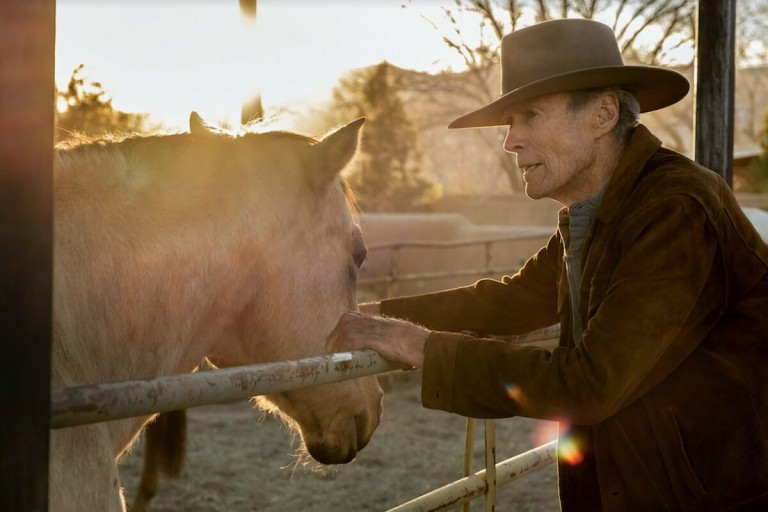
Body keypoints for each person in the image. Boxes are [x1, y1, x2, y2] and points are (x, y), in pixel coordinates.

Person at [326, 18, 768, 511]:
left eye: (529, 115)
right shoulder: (600, 212)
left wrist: (417, 345)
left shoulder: (677, 211)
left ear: (603, 115)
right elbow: (512, 300)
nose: (509, 141)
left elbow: (590, 383)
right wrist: (375, 314)